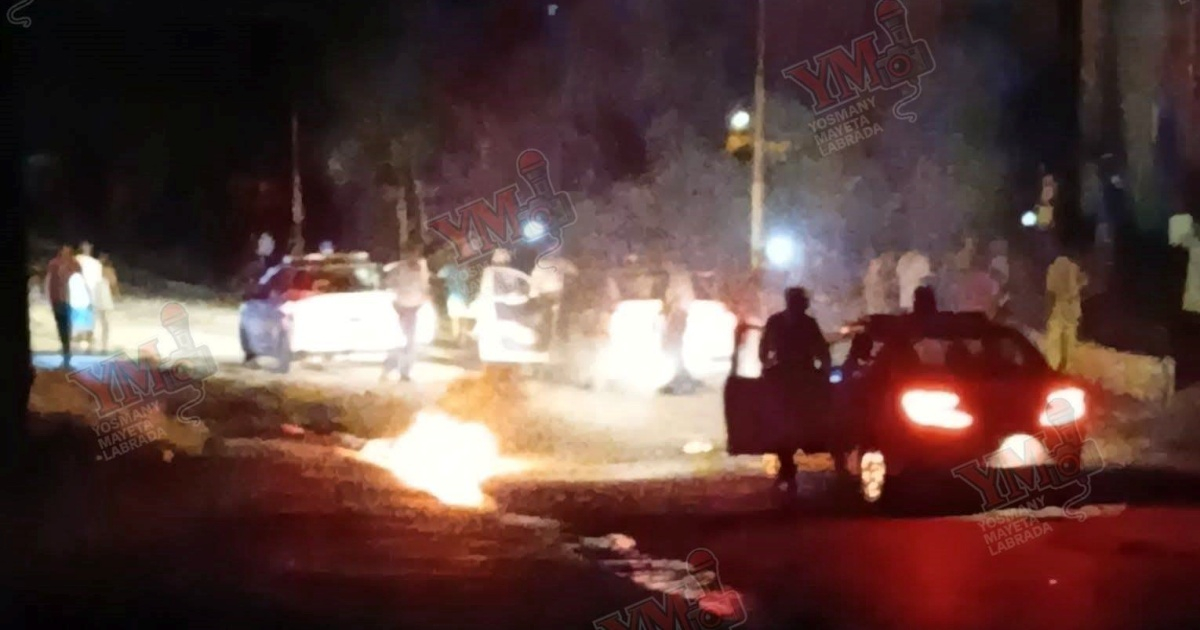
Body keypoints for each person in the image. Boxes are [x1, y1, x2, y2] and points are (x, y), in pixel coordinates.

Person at [758, 287, 832, 495]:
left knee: (783, 423)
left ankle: (788, 465)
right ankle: (790, 464)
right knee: (797, 421)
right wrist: (824, 374)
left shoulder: (777, 322)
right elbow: (823, 352)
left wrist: (768, 368)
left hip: (786, 378)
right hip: (803, 378)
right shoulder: (807, 324)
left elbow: (764, 351)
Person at [382, 252, 430, 382]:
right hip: (404, 307)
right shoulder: (402, 269)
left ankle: (400, 370)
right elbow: (391, 284)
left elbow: (424, 287)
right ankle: (394, 368)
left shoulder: (419, 268)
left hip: (412, 307)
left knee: (409, 342)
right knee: (405, 341)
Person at [660, 260, 701, 395]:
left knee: (673, 346)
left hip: (678, 314)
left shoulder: (680, 279)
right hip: (677, 314)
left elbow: (680, 300)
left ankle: (681, 379)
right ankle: (680, 376)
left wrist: (674, 313)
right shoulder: (677, 278)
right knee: (673, 347)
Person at [1044, 256, 1086, 371]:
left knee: (1056, 339)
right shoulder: (1074, 267)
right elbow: (1082, 283)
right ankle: (1064, 367)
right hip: (1068, 308)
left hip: (1061, 308)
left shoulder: (1054, 267)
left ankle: (1055, 367)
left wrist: (1048, 310)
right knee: (1067, 338)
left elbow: (1050, 291)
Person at [45, 246, 82, 368]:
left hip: (67, 299)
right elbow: (51, 281)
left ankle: (66, 350)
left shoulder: (71, 263)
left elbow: (78, 277)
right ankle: (66, 350)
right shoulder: (56, 263)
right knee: (63, 325)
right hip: (59, 299)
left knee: (65, 325)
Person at [437, 262, 473, 346]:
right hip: (464, 297)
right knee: (464, 319)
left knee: (455, 319)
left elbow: (438, 275)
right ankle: (463, 340)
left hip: (452, 296)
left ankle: (456, 339)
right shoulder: (466, 268)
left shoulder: (448, 268)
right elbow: (469, 277)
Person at [92, 253, 117, 353]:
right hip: (104, 299)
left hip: (95, 299)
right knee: (105, 324)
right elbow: (113, 284)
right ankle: (104, 344)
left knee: (95, 322)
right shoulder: (109, 271)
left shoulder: (93, 270)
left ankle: (94, 342)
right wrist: (116, 295)